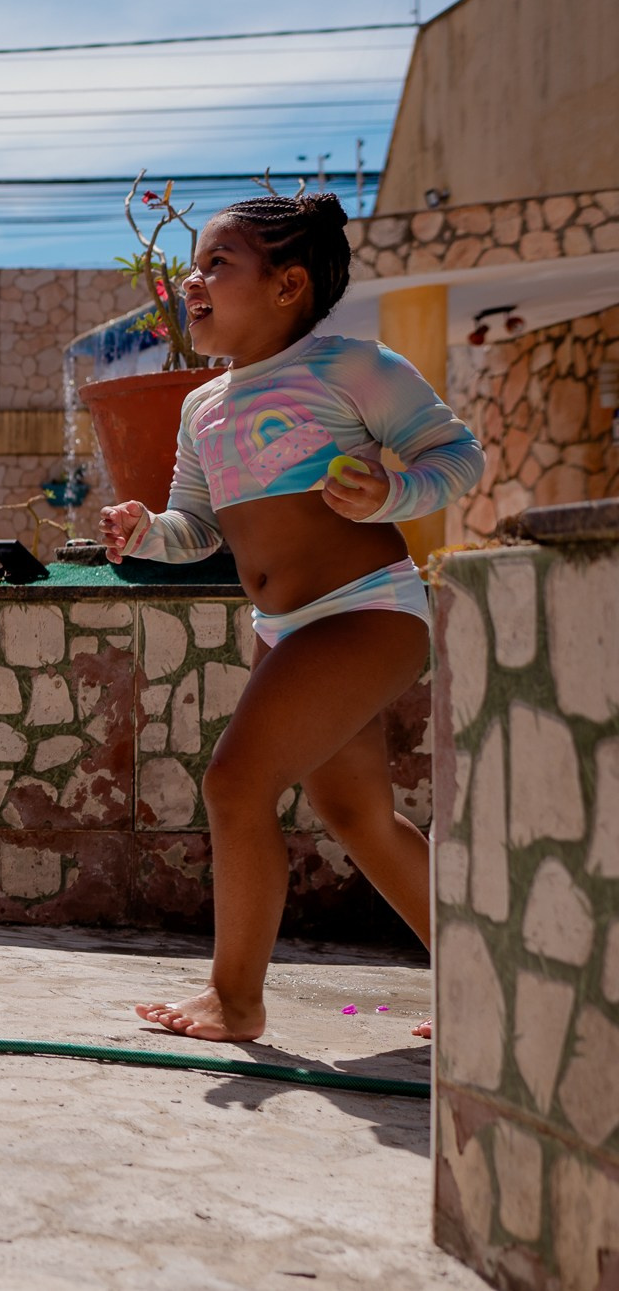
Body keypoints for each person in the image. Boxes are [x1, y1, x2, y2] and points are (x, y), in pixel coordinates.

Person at [99, 193, 481, 1043]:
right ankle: (479, 988)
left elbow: (458, 457)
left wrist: (394, 491)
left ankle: (236, 999)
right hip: (290, 631)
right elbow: (197, 528)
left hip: (368, 613)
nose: (192, 280)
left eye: (217, 264)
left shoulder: (352, 367)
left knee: (237, 782)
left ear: (288, 284)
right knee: (357, 815)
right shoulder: (204, 408)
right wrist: (144, 529)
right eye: (195, 264)